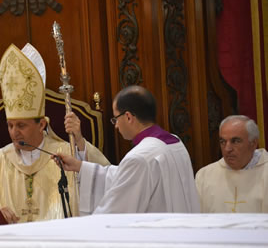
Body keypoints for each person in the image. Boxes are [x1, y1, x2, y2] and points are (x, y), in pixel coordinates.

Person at [0, 43, 110, 223]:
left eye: (21, 125)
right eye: (10, 125)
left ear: (42, 124)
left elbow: (105, 182)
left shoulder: (65, 154)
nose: (14, 132)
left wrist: (80, 142)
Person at [57, 85, 200, 214]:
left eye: (115, 119)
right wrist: (80, 166)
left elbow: (114, 212)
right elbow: (122, 176)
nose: (116, 126)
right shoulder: (175, 142)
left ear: (128, 117)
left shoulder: (139, 157)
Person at [196, 115, 268, 212]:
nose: (227, 149)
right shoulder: (204, 175)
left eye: (235, 141)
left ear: (253, 143)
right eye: (223, 142)